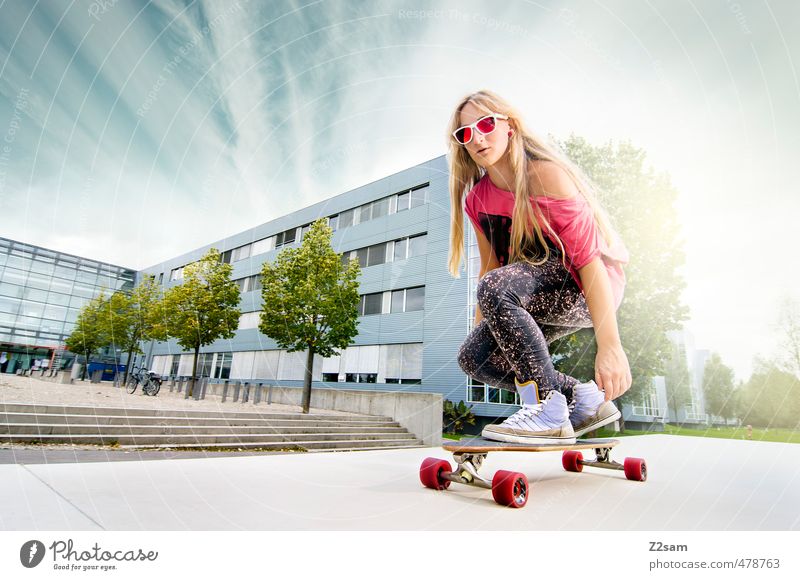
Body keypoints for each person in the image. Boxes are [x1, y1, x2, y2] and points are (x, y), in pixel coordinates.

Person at [447, 90, 632, 445]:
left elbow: (588, 262)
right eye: (465, 133)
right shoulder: (477, 201)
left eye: (486, 125)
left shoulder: (547, 176)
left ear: (510, 127)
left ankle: (547, 410)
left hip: (587, 287)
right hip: (527, 289)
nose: (477, 138)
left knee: (497, 288)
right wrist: (482, 333)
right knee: (474, 357)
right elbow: (492, 267)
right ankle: (584, 399)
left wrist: (610, 346)